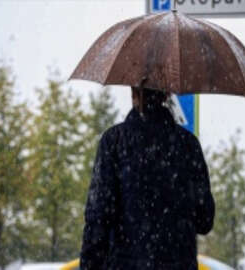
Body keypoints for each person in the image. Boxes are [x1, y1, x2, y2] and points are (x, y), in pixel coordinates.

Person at [80, 87, 215, 270]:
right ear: (167, 95)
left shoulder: (114, 142)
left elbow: (98, 218)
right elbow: (204, 220)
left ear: (133, 93)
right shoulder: (187, 146)